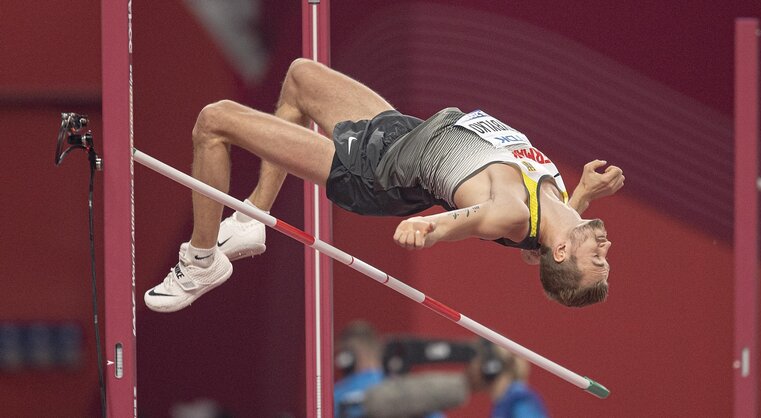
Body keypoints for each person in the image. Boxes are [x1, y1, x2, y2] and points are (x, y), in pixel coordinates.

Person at [144, 58, 625, 313]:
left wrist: (431, 230)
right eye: (605, 258)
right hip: (405, 133)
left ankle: (201, 261)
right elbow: (540, 244)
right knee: (299, 77)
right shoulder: (556, 203)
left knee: (215, 121)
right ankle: (251, 219)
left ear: (563, 252)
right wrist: (581, 192)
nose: (605, 247)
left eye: (596, 259)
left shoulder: (517, 214)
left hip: (373, 172)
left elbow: (480, 218)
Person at [466, 339, 549, 418]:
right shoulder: (502, 402)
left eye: (474, 362)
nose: (469, 369)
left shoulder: (519, 399)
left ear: (490, 366)